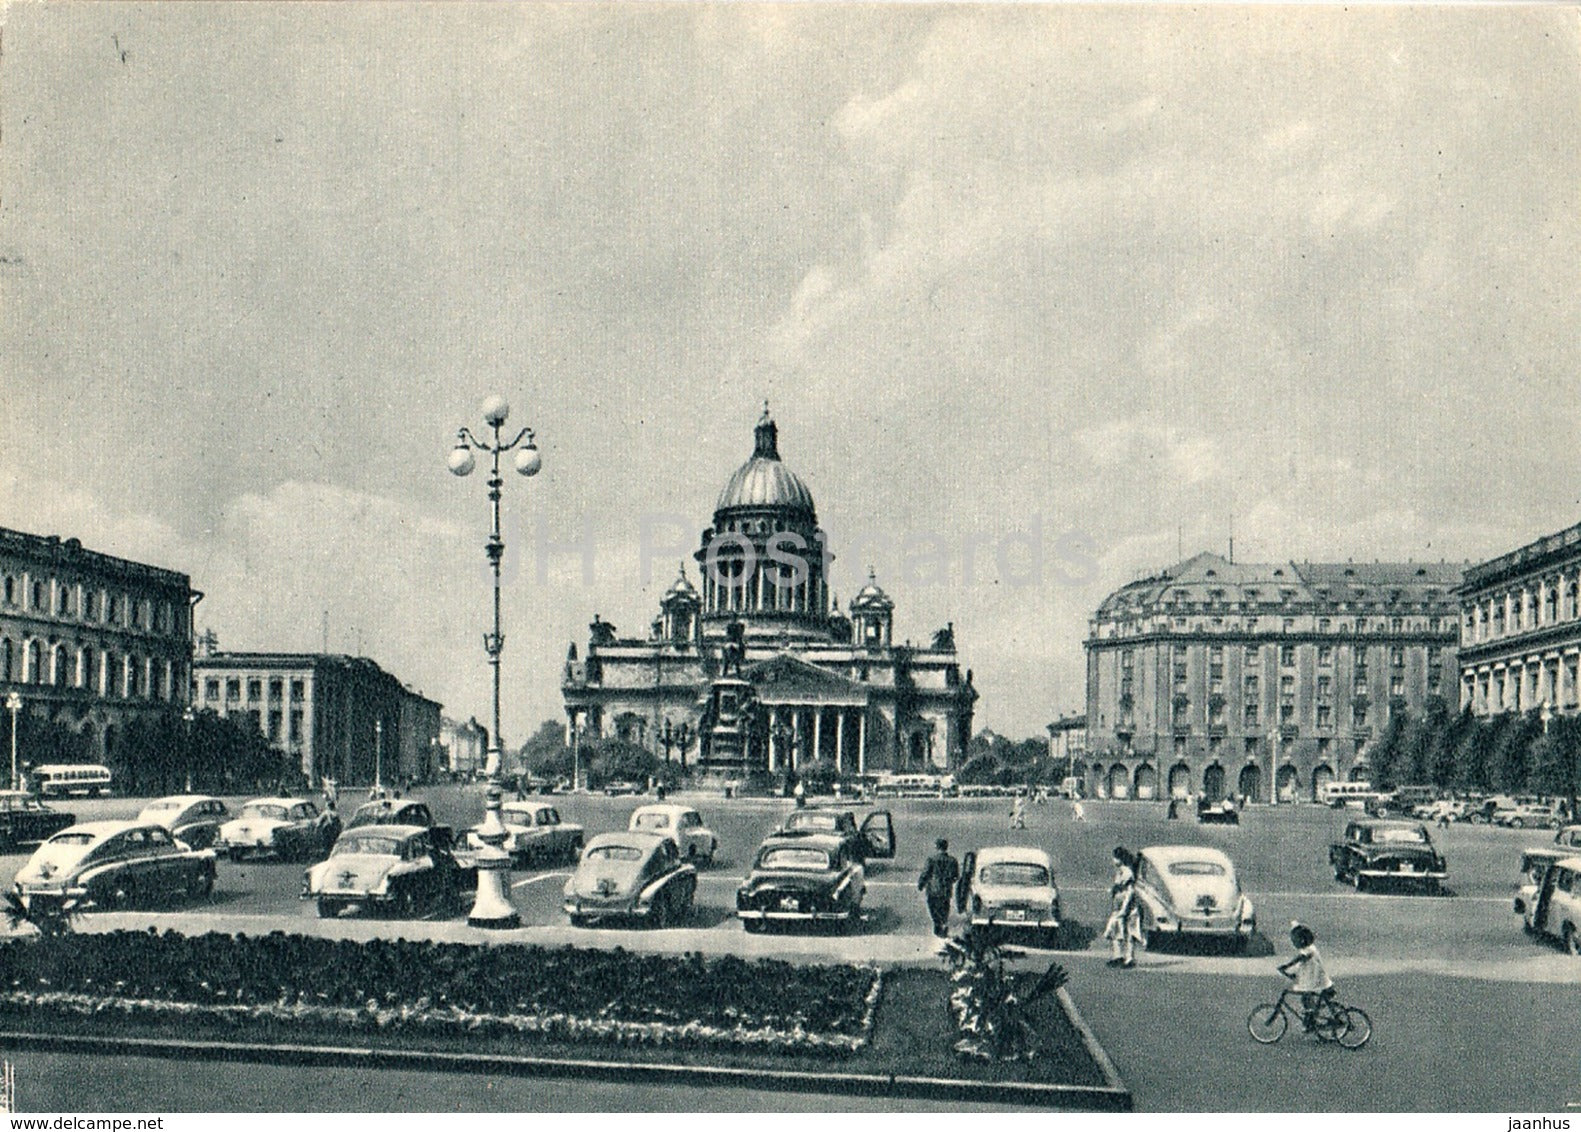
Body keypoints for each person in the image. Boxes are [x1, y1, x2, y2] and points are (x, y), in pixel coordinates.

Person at [1277, 922, 1334, 1031]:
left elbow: (1299, 958)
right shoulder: (1309, 948)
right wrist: (1292, 974)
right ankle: (1311, 1020)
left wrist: (1286, 966)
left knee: (1306, 997)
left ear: (1302, 940)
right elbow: (1302, 966)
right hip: (1312, 979)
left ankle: (1311, 1021)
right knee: (1306, 999)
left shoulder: (1309, 950)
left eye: (1295, 940)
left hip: (1316, 980)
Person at [1103, 847, 1142, 967]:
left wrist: (1124, 908)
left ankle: (1129, 958)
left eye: (1115, 858)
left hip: (1128, 907)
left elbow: (1130, 891)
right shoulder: (1120, 871)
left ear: (1120, 858)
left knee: (1129, 932)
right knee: (1116, 930)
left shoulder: (1127, 872)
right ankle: (1118, 956)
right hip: (1119, 906)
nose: (1113, 860)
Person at [918, 838, 961, 940]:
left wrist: (921, 884)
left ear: (937, 847)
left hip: (933, 889)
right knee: (944, 908)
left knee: (933, 908)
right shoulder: (953, 860)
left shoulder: (931, 859)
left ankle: (938, 925)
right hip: (946, 889)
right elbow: (956, 876)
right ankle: (943, 924)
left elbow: (926, 873)